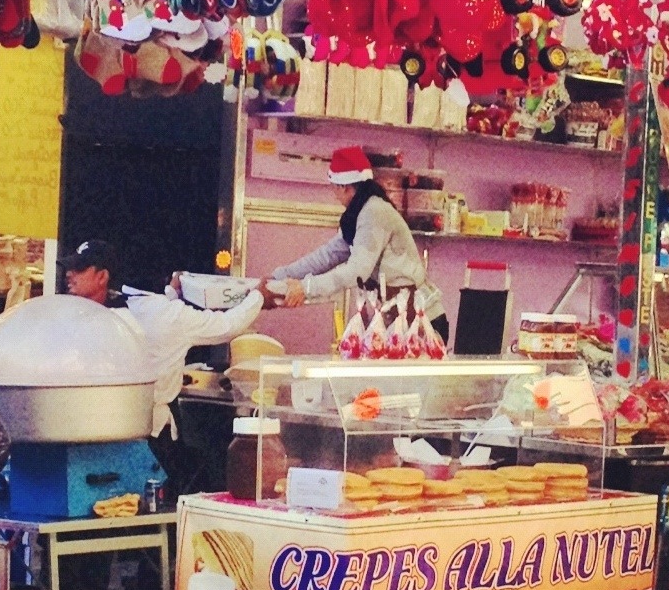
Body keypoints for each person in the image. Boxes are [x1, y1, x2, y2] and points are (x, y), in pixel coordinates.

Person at [63, 235, 263, 495]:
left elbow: (223, 325)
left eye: (78, 269)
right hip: (111, 431)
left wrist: (258, 296)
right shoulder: (151, 312)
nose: (69, 274)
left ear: (103, 277)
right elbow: (220, 324)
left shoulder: (143, 314)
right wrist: (259, 295)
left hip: (143, 436)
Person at [261, 146, 447, 344]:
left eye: (333, 187)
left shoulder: (374, 212)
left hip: (423, 322)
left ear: (344, 187)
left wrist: (305, 288)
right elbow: (328, 255)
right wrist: (279, 277)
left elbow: (357, 271)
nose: (334, 194)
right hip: (396, 321)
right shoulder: (360, 213)